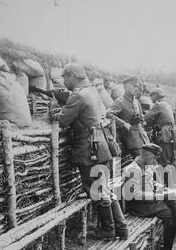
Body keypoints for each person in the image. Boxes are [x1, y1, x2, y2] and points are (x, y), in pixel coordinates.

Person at [49, 62, 128, 240]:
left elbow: (62, 120)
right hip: (101, 146)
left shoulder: (79, 95)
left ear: (70, 75)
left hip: (89, 148)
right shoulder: (92, 91)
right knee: (105, 189)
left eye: (64, 77)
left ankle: (108, 230)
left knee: (95, 189)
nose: (63, 81)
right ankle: (121, 228)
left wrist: (53, 107)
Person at [106, 76, 149, 157]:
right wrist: (123, 124)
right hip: (131, 140)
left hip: (143, 137)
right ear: (126, 87)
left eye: (137, 86)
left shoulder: (136, 101)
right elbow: (108, 114)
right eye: (134, 86)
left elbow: (142, 117)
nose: (137, 88)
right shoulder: (120, 102)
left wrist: (143, 121)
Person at [144, 87, 176, 167]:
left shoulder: (158, 105)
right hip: (172, 134)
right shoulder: (167, 104)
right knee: (171, 158)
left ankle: (164, 178)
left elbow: (147, 117)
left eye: (151, 95)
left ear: (156, 95)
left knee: (163, 160)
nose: (150, 97)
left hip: (165, 134)